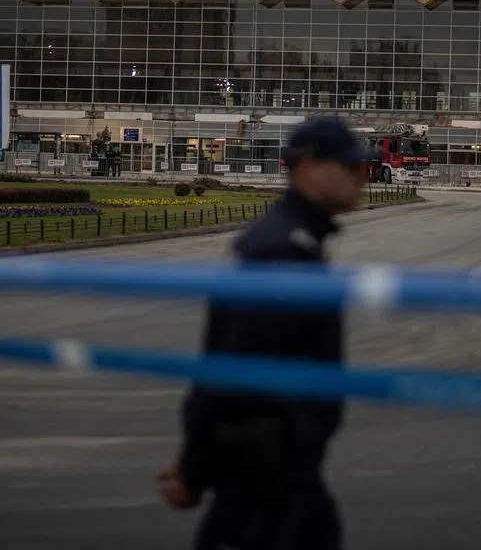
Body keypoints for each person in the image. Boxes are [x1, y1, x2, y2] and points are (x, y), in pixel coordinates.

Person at [158, 116, 370, 550]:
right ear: (308, 167)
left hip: (283, 478)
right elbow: (226, 372)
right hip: (263, 489)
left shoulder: (296, 242)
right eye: (351, 166)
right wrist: (195, 470)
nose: (362, 176)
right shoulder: (279, 251)